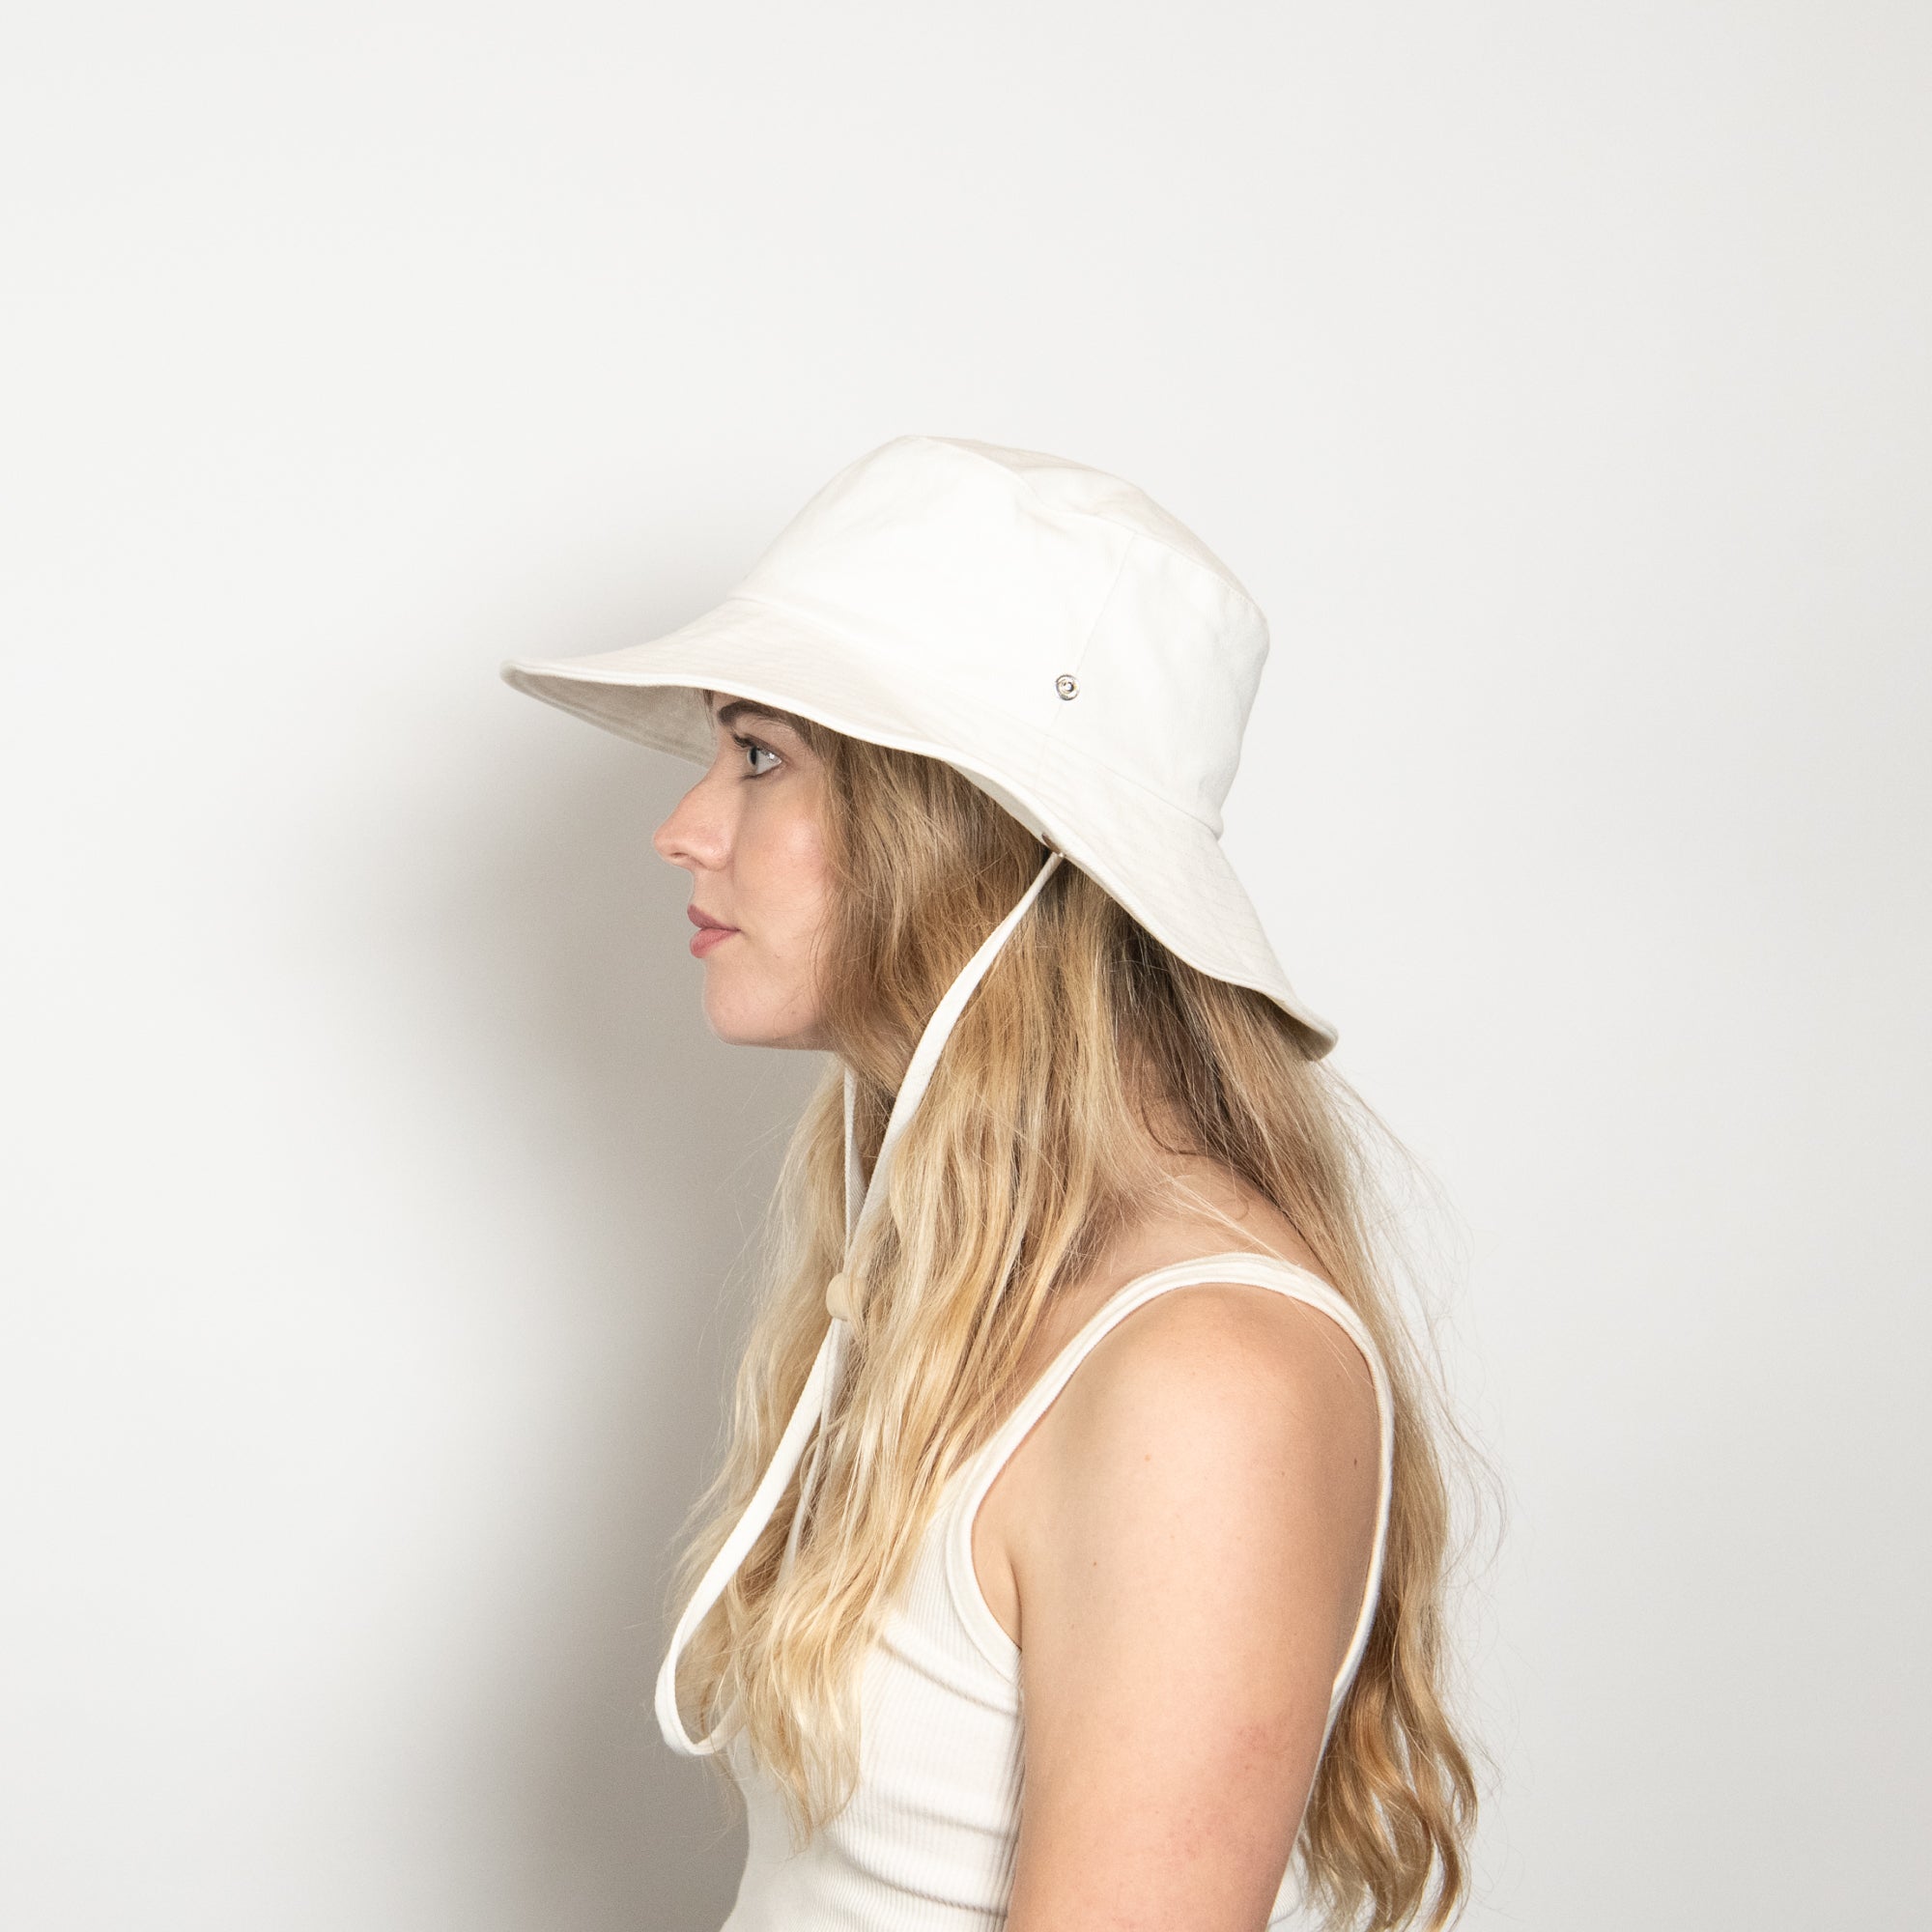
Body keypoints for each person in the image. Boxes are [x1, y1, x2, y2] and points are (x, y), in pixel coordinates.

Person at [501, 436, 1477, 1930]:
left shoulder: (1209, 1376)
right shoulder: (948, 1281)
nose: (684, 827)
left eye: (759, 757)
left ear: (967, 823)